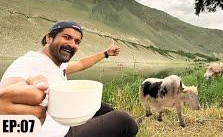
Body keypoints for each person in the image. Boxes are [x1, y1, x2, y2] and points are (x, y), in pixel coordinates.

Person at [0, 21, 138, 137]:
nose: (72, 44)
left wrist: (106, 53)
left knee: (98, 105)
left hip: (64, 121)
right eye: (66, 37)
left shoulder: (58, 64)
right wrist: (6, 105)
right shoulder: (30, 61)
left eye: (77, 41)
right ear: (48, 38)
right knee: (124, 120)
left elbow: (81, 64)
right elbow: (10, 87)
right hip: (57, 133)